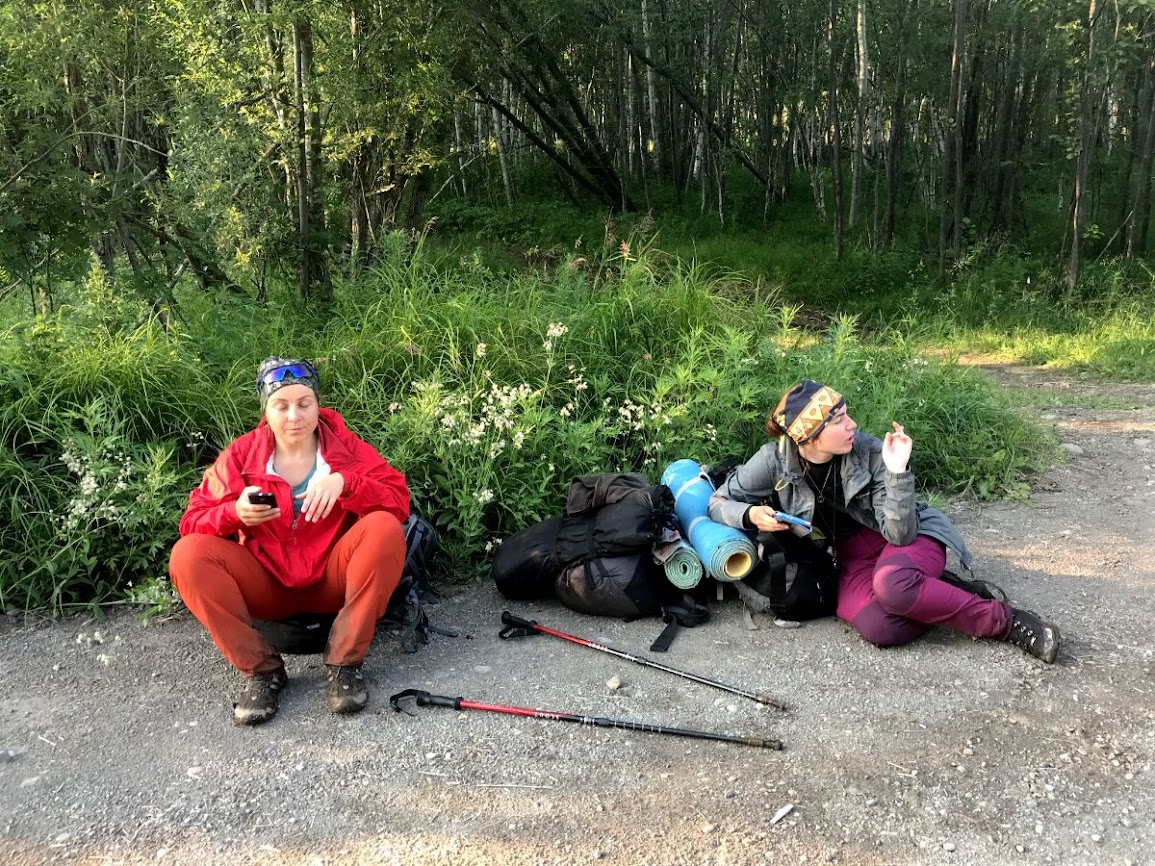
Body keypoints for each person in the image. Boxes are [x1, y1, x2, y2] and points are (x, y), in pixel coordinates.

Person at [708, 379, 1060, 663]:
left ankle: (1007, 622)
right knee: (878, 626)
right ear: (809, 437)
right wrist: (750, 514)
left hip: (907, 536)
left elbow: (900, 533)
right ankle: (941, 593)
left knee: (893, 585)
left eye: (848, 414)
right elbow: (718, 501)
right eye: (839, 419)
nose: (853, 424)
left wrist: (897, 471)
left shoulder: (871, 451)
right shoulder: (774, 460)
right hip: (852, 555)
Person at [169, 357, 411, 725]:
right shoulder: (241, 455)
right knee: (188, 555)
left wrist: (347, 483)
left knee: (382, 528)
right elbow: (192, 521)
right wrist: (235, 512)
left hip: (332, 579)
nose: (294, 416)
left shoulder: (344, 448)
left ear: (317, 404)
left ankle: (345, 663)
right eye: (281, 406)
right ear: (266, 409)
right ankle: (262, 671)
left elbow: (398, 500)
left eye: (304, 404)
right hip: (267, 585)